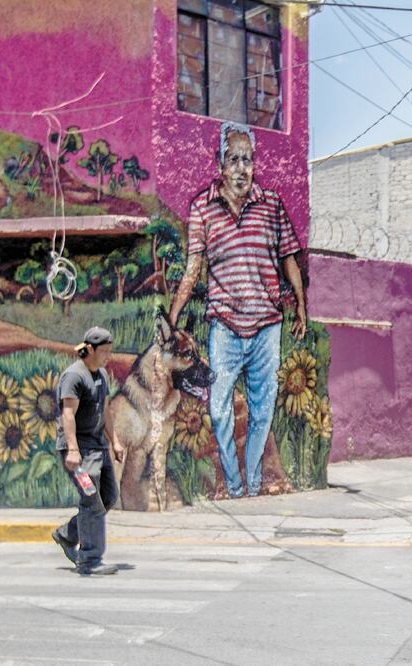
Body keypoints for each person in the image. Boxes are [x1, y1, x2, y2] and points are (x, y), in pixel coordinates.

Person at [169, 121, 306, 499]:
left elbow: (289, 259)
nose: (242, 168)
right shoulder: (202, 208)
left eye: (248, 159)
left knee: (263, 410)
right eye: (234, 159)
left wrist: (301, 308)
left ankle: (252, 481)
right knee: (218, 409)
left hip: (266, 325)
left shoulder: (272, 205)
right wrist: (173, 316)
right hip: (224, 325)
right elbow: (193, 269)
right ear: (220, 164)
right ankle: (233, 482)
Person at [52, 326, 124, 575]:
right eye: (104, 351)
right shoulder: (74, 376)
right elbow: (68, 414)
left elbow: (105, 411)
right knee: (92, 500)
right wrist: (72, 450)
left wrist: (114, 441)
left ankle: (66, 534)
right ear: (90, 349)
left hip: (98, 449)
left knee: (108, 498)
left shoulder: (102, 375)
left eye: (109, 351)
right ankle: (89, 560)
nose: (108, 356)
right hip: (79, 452)